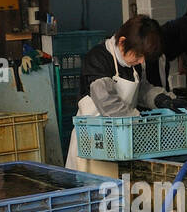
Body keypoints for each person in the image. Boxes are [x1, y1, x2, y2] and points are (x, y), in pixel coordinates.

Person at [65, 15, 172, 176]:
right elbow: (108, 103)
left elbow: (141, 89)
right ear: (122, 42)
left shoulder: (132, 64)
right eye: (138, 55)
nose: (141, 61)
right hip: (93, 144)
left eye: (144, 57)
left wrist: (161, 99)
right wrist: (140, 121)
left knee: (116, 195)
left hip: (121, 143)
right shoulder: (98, 58)